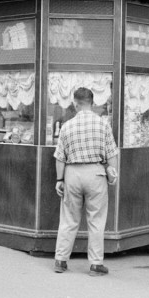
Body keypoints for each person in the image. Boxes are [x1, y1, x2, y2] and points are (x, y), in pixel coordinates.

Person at [52, 87, 119, 276]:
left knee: (69, 219)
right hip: (96, 174)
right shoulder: (102, 124)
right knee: (96, 220)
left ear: (75, 103)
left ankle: (60, 261)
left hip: (72, 174)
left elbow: (60, 157)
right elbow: (112, 153)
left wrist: (59, 179)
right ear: (93, 102)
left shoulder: (67, 126)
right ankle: (96, 265)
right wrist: (112, 174)